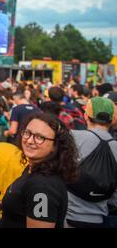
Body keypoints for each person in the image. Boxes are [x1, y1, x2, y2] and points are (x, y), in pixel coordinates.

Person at [0, 112, 79, 228]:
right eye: (27, 133)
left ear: (55, 146)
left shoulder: (43, 185)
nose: (30, 141)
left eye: (40, 137)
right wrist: (10, 205)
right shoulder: (34, 168)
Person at [66, 97, 117, 228]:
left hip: (69, 216)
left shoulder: (72, 137)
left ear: (85, 116)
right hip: (101, 218)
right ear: (112, 120)